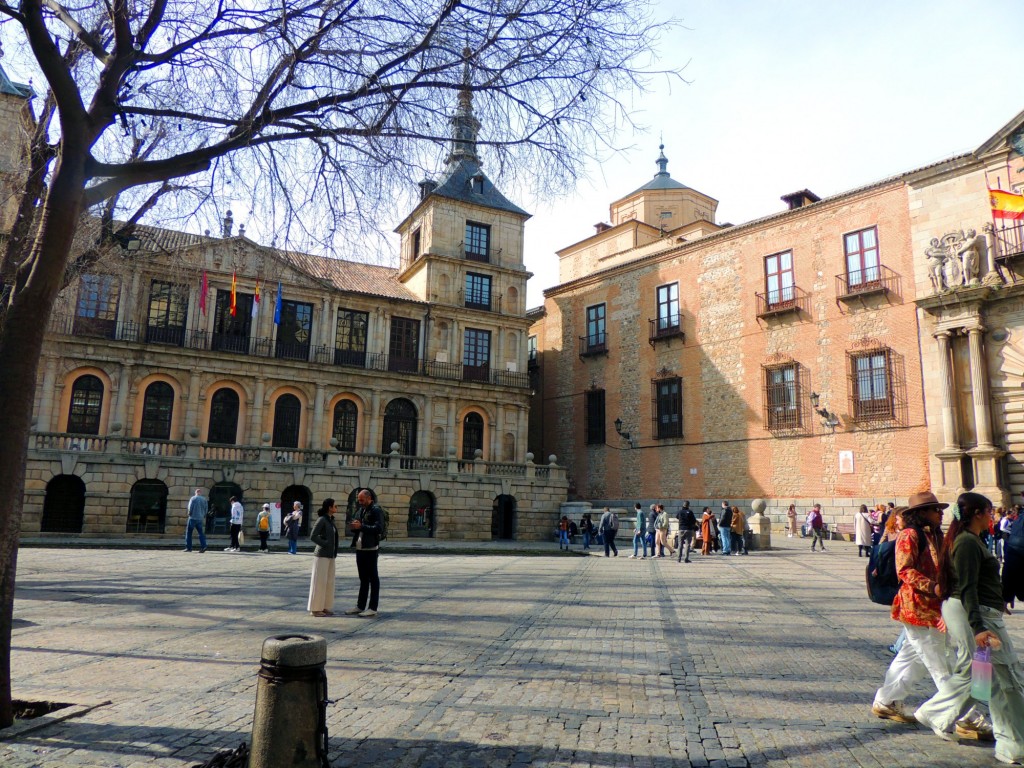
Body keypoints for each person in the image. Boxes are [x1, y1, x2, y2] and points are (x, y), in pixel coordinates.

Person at [916, 492, 1007, 748]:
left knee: (979, 671)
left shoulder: (971, 539)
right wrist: (978, 626)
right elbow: (966, 587)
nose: (992, 517)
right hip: (964, 610)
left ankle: (951, 717)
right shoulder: (966, 541)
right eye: (989, 512)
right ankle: (933, 712)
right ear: (977, 514)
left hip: (965, 609)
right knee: (974, 668)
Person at [871, 491, 949, 725]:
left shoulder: (935, 534)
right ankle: (964, 714)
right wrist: (932, 586)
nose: (940, 514)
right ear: (922, 513)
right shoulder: (909, 535)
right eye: (935, 510)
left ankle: (886, 700)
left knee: (911, 658)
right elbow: (904, 570)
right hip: (917, 606)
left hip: (933, 605)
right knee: (939, 662)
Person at [345, 489, 383, 617]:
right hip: (360, 547)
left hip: (371, 548)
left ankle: (373, 607)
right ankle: (360, 606)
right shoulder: (361, 510)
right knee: (363, 578)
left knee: (373, 578)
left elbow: (379, 528)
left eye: (362, 500)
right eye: (359, 500)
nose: (360, 502)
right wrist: (354, 526)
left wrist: (361, 526)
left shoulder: (376, 510)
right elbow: (358, 525)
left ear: (368, 498)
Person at [307, 498, 339, 617]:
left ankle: (325, 606)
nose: (336, 508)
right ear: (329, 507)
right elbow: (313, 536)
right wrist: (325, 543)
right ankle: (315, 609)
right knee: (319, 582)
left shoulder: (330, 520)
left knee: (329, 582)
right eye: (335, 506)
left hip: (331, 555)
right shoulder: (322, 519)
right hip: (321, 555)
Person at [183, 488, 208, 553]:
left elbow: (190, 507)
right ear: (200, 493)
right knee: (201, 533)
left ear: (195, 492)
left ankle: (189, 548)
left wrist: (189, 513)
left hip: (193, 518)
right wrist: (203, 515)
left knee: (189, 532)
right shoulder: (204, 499)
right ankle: (203, 546)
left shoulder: (193, 498)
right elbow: (206, 509)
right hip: (200, 518)